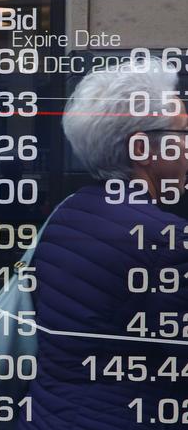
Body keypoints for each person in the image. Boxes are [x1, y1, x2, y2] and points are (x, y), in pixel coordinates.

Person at [18, 57, 188, 429]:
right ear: (142, 149)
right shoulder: (166, 241)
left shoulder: (67, 213)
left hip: (48, 414)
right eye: (183, 134)